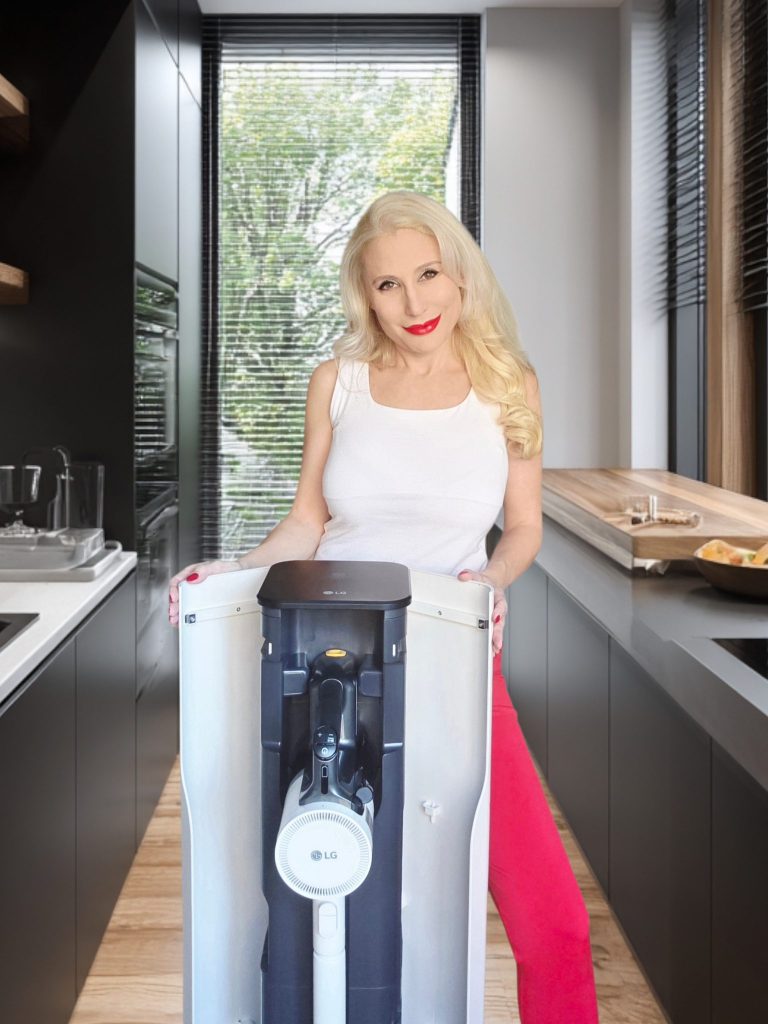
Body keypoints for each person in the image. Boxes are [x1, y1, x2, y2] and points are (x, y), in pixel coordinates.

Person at [169, 190, 599, 1023]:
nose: (413, 303)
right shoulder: (339, 384)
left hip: (453, 665)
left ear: (461, 274)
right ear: (365, 295)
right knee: (310, 906)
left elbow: (523, 528)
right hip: (325, 665)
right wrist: (226, 573)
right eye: (388, 284)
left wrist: (492, 582)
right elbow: (307, 520)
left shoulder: (509, 386)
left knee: (555, 925)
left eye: (428, 274)